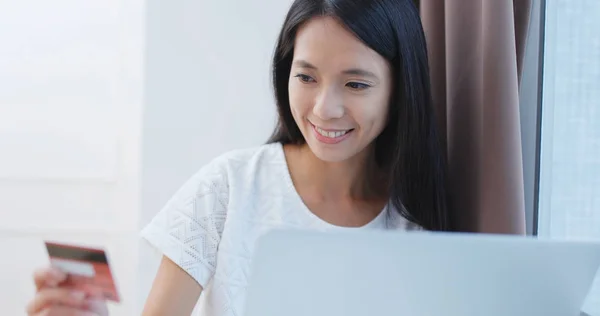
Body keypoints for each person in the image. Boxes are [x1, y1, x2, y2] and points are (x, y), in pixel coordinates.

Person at [26, 0, 451, 315]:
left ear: (400, 88)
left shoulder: (417, 222)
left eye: (356, 84)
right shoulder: (228, 187)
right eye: (306, 76)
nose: (325, 108)